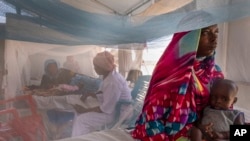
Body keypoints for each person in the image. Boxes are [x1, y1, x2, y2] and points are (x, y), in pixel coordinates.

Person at [131, 25, 224, 141]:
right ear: (187, 37)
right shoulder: (169, 73)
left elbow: (226, 110)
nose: (214, 38)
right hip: (180, 132)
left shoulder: (215, 72)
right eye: (205, 33)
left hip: (210, 129)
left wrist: (223, 134)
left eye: (216, 32)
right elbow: (152, 118)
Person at [33, 51, 132, 137]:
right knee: (76, 106)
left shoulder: (112, 82)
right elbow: (105, 94)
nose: (94, 68)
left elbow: (107, 108)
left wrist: (85, 110)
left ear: (103, 67)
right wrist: (91, 94)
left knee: (82, 120)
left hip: (117, 114)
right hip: (111, 108)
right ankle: (83, 135)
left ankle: (79, 136)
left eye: (96, 66)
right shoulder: (108, 76)